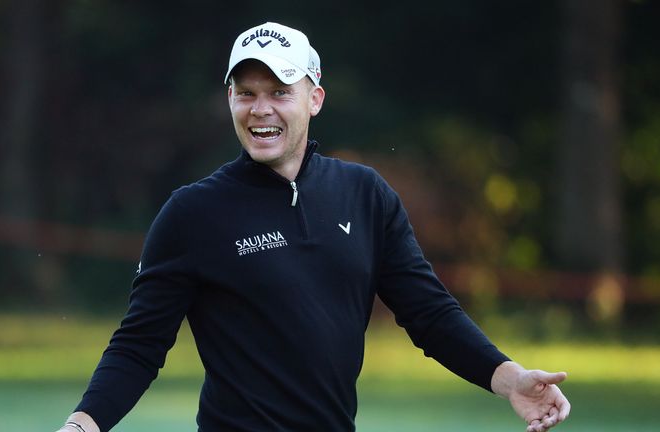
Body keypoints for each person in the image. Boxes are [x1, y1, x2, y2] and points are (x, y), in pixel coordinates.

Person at [57, 22, 570, 432]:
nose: (261, 109)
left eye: (280, 92)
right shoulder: (193, 213)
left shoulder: (365, 195)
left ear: (314, 99)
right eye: (246, 92)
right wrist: (82, 427)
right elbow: (138, 346)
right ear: (230, 98)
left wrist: (511, 379)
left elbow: (430, 314)